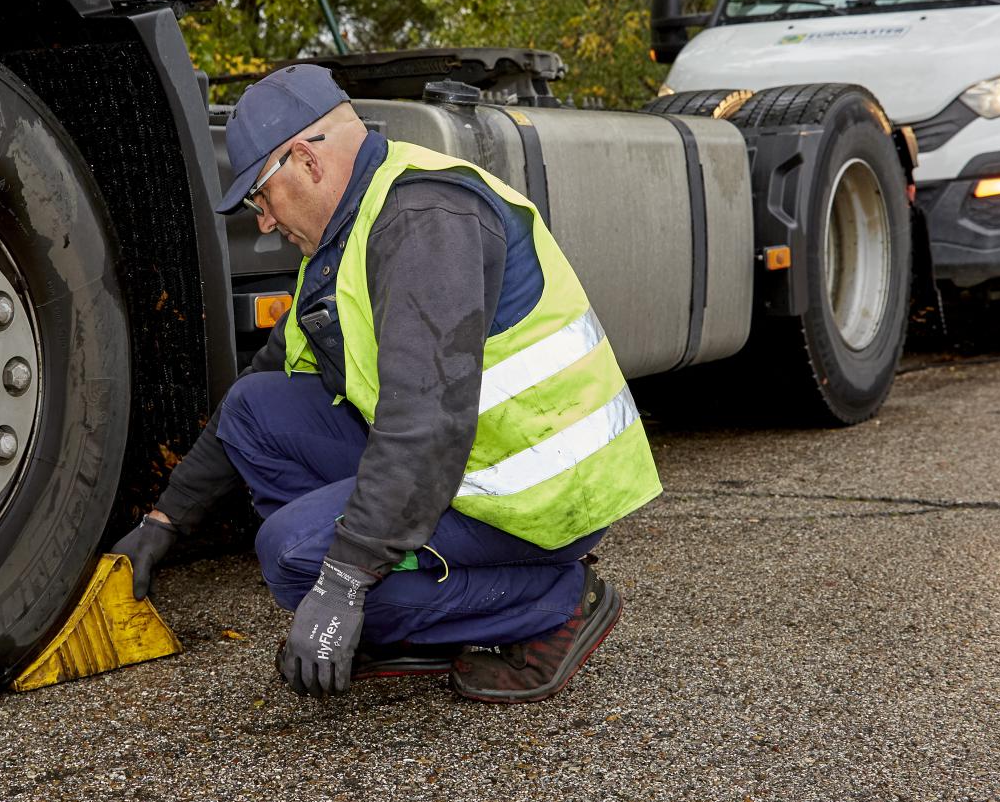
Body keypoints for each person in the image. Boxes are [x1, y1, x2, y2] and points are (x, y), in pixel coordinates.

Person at [109, 64, 660, 701]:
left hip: (537, 496)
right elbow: (255, 390)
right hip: (465, 467)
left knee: (295, 557)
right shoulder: (346, 238)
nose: (263, 222)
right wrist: (164, 520)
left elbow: (423, 426)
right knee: (262, 411)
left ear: (305, 161)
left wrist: (343, 581)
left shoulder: (424, 220)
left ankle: (557, 601)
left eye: (262, 197)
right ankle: (412, 603)